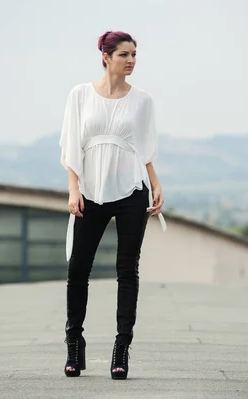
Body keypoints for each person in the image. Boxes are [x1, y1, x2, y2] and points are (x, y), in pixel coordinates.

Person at [59, 30, 167, 380]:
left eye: (134, 54)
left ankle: (122, 349)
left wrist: (155, 183)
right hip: (90, 190)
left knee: (127, 270)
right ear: (105, 57)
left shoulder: (143, 100)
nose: (132, 60)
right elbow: (71, 145)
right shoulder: (80, 95)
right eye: (124, 54)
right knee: (78, 269)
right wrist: (74, 189)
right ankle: (74, 345)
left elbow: (146, 147)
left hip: (131, 190)